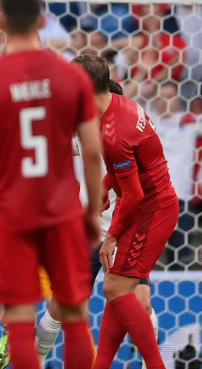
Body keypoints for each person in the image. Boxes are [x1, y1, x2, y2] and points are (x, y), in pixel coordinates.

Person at [0, 0, 104, 369]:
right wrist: (92, 213)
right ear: (42, 20)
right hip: (61, 210)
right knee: (74, 320)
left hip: (11, 215)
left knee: (20, 323)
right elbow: (92, 151)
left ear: (1, 21)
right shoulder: (70, 76)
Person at [70, 54, 177, 369]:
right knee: (118, 288)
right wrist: (105, 184)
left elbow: (133, 194)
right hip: (149, 203)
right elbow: (135, 166)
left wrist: (111, 237)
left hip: (151, 209)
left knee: (116, 287)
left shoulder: (113, 133)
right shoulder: (118, 103)